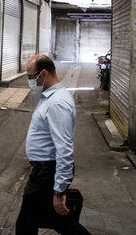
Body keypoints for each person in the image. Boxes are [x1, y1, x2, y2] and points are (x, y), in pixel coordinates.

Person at [16, 54, 90, 235]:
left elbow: (64, 149)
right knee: (51, 219)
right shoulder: (50, 97)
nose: (29, 82)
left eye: (31, 77)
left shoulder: (57, 103)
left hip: (47, 172)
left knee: (28, 222)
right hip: (44, 170)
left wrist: (59, 191)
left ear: (43, 74)